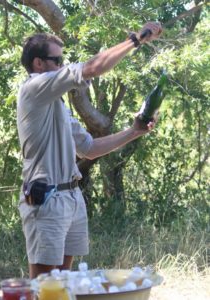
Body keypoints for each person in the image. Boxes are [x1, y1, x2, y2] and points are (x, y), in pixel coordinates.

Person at [17, 21, 162, 279]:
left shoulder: (57, 107)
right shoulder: (33, 89)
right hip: (46, 200)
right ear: (38, 64)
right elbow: (94, 67)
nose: (62, 66)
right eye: (57, 60)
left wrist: (135, 131)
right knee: (43, 288)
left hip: (70, 197)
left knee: (63, 286)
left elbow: (90, 149)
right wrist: (136, 39)